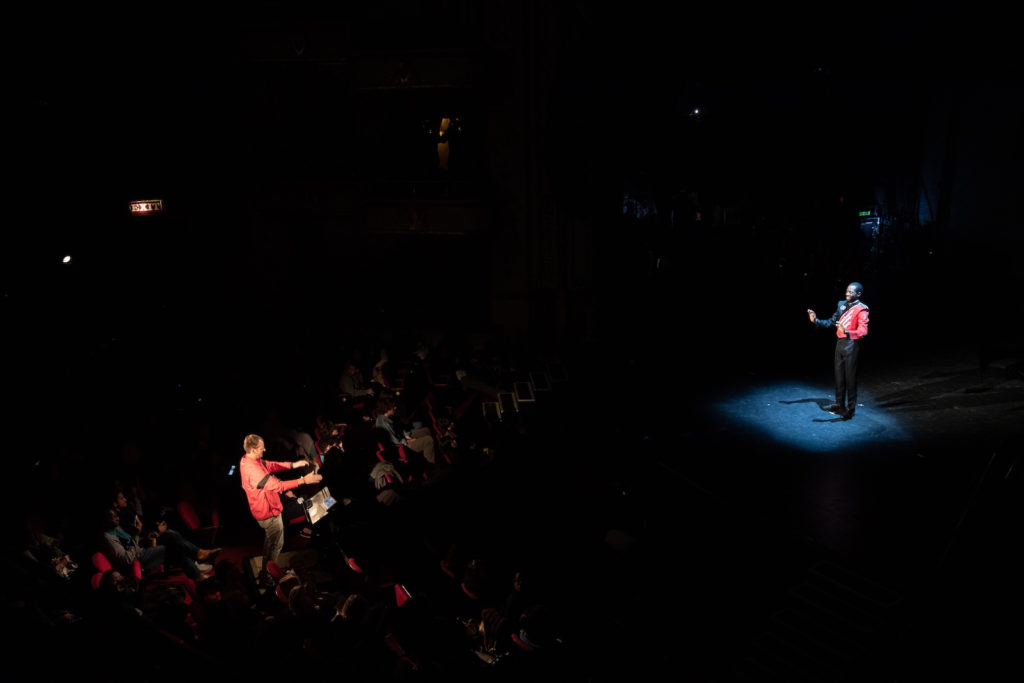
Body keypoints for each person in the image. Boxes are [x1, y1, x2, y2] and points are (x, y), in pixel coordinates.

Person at [239, 434, 322, 588]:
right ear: (252, 449)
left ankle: (267, 569)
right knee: (276, 544)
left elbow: (270, 465)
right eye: (261, 447)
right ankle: (267, 575)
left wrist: (293, 465)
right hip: (268, 514)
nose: (265, 449)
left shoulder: (248, 459)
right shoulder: (253, 471)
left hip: (264, 509)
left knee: (270, 543)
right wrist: (304, 480)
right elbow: (279, 486)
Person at [808, 281, 870, 419]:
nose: (847, 293)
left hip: (851, 345)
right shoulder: (841, 304)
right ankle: (838, 404)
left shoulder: (862, 309)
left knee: (850, 379)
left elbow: (863, 331)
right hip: (840, 344)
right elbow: (831, 322)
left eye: (851, 292)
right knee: (839, 376)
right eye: (847, 291)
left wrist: (847, 331)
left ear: (858, 294)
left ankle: (850, 409)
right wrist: (816, 321)